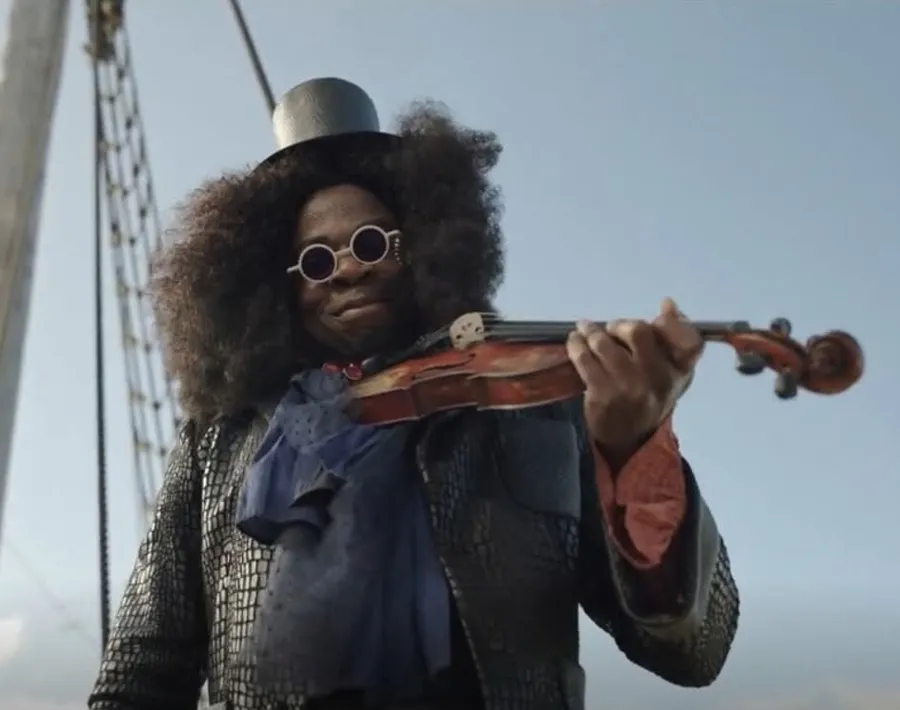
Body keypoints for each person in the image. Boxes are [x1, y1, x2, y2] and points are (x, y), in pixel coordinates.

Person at [88, 77, 739, 710]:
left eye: (372, 242)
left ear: (425, 246)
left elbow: (694, 651)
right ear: (275, 286)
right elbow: (143, 670)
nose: (348, 268)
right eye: (316, 260)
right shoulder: (215, 443)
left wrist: (632, 452)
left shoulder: (537, 408)